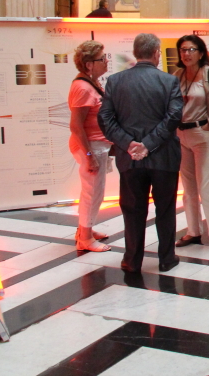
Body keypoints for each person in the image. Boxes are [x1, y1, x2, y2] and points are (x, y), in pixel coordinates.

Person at [98, 33, 183, 273]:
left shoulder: (115, 81)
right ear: (157, 53)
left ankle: (132, 260)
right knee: (165, 208)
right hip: (163, 157)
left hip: (130, 159)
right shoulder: (169, 81)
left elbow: (105, 118)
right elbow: (173, 117)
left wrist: (129, 144)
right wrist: (148, 144)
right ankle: (166, 258)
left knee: (133, 209)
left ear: (136, 53)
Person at [172, 35, 209, 253]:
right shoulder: (177, 75)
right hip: (182, 134)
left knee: (206, 186)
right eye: (183, 50)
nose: (186, 54)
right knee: (188, 188)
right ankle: (193, 231)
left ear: (200, 52)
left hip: (204, 135)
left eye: (191, 49)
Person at [68, 40, 112, 253]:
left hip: (96, 146)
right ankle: (84, 237)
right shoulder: (83, 88)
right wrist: (88, 155)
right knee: (92, 192)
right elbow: (76, 126)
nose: (106, 62)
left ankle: (86, 229)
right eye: (102, 59)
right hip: (90, 147)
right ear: (88, 64)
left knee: (95, 192)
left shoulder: (91, 84)